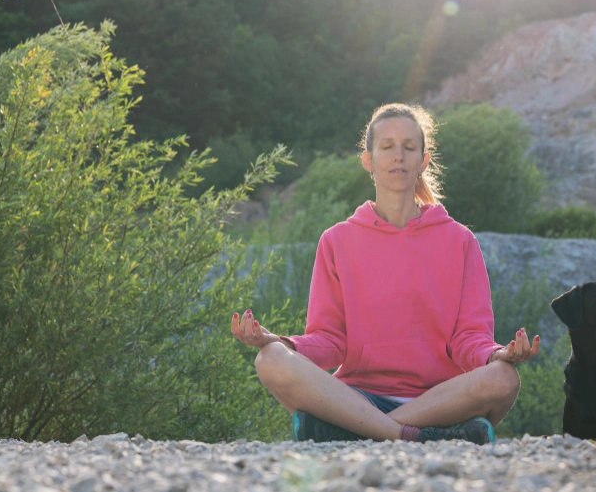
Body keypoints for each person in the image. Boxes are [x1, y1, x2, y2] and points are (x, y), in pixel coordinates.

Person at [231, 103, 540, 443]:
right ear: (368, 160)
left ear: (423, 160)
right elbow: (330, 341)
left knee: (503, 378)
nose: (398, 156)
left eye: (409, 148)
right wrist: (278, 341)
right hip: (357, 397)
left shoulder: (460, 241)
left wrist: (498, 354)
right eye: (387, 147)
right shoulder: (337, 240)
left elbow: (468, 338)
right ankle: (418, 435)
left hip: (439, 400)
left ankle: (353, 430)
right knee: (270, 359)